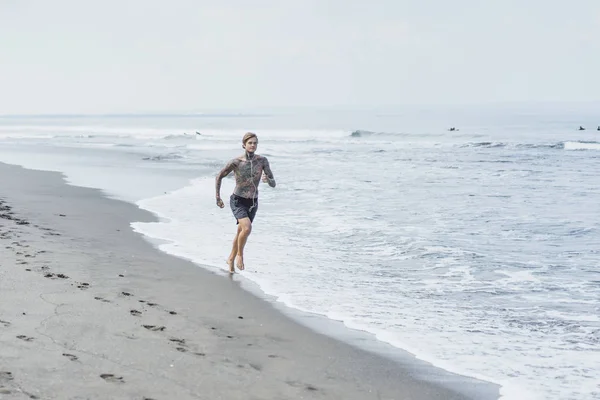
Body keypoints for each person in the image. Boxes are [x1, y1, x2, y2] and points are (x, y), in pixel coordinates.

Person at [215, 132, 276, 273]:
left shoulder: (262, 161)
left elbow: (273, 183)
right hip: (238, 200)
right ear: (244, 145)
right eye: (250, 143)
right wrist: (218, 197)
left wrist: (269, 180)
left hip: (253, 202)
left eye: (255, 143)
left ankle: (230, 258)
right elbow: (219, 176)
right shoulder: (236, 162)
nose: (253, 145)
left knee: (241, 232)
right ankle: (239, 256)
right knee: (247, 228)